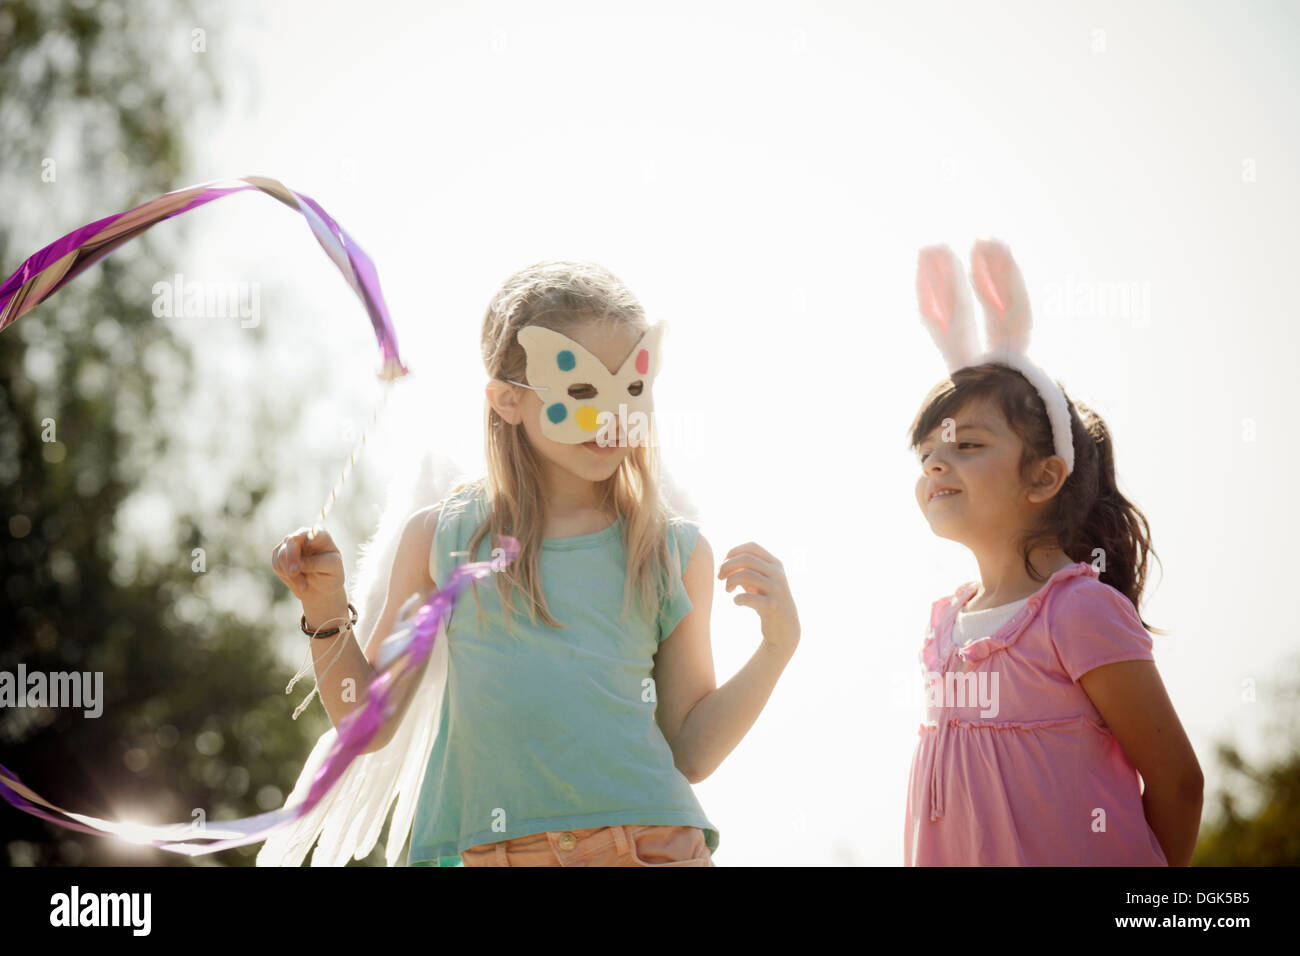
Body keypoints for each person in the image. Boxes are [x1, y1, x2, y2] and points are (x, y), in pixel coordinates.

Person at [270, 259, 800, 866]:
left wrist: (777, 646)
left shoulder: (671, 551)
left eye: (630, 387)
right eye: (580, 391)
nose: (610, 415)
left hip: (648, 847)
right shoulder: (442, 539)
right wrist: (325, 610)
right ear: (506, 402)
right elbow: (371, 725)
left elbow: (692, 751)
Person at [904, 240, 1203, 865]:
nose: (936, 460)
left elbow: (1178, 784)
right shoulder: (941, 627)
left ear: (1044, 477)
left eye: (968, 445)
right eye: (929, 449)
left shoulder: (1077, 612)